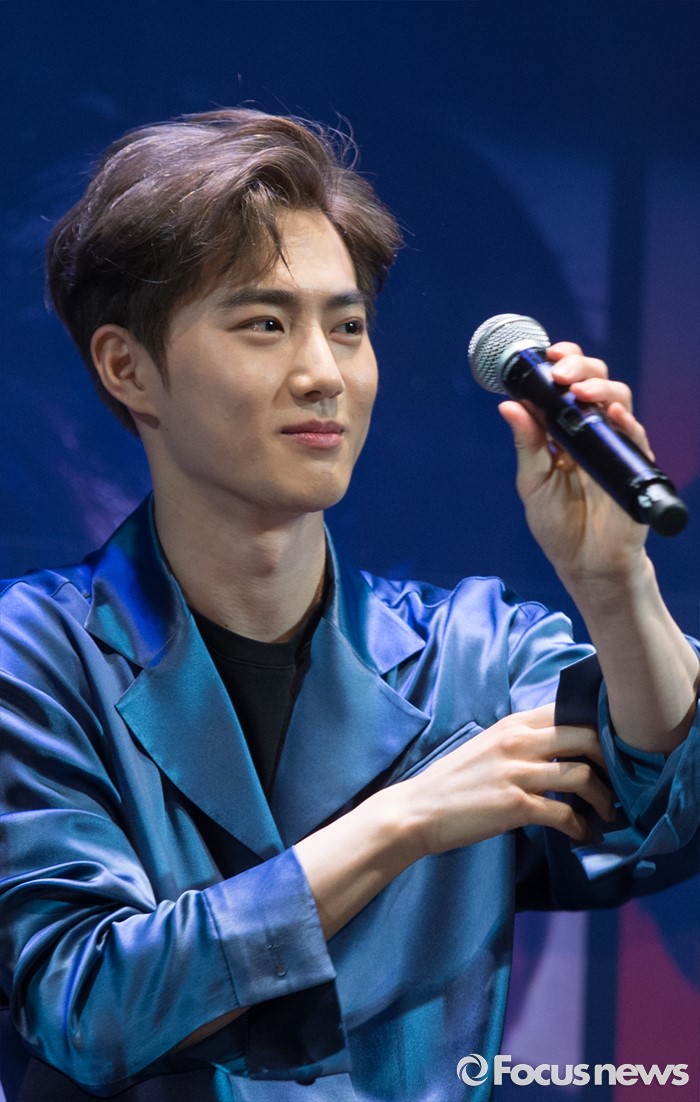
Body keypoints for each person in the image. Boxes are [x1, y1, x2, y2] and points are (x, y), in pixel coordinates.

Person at [1, 109, 698, 1102]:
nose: (323, 374)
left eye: (347, 326)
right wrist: (403, 820)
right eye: (264, 324)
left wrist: (615, 585)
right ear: (128, 367)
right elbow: (87, 1002)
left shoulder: (472, 652)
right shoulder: (33, 656)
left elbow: (663, 806)